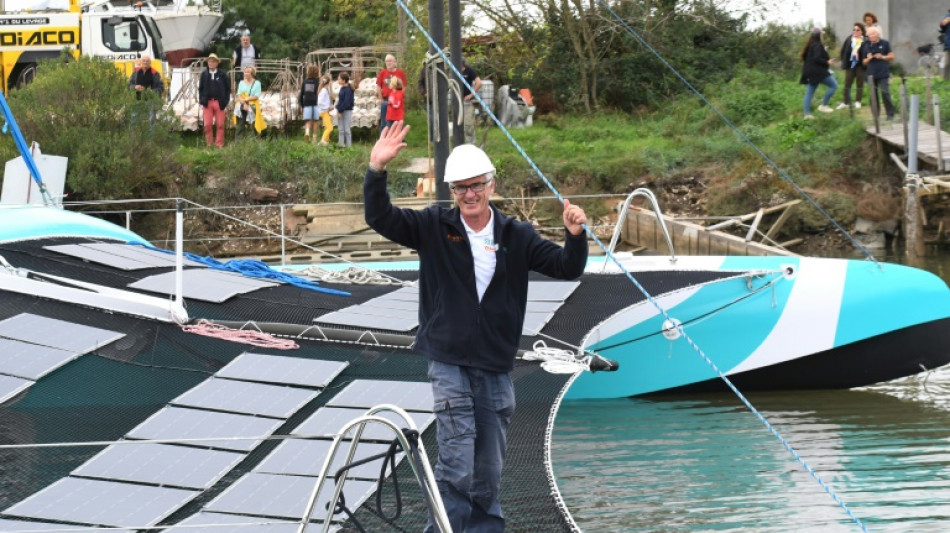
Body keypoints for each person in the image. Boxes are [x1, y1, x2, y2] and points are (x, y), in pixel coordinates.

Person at [363, 121, 589, 533]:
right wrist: (377, 170)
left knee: (488, 470)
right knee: (457, 463)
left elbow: (567, 267)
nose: (469, 194)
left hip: (496, 366)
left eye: (476, 185)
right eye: (461, 187)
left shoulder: (516, 235)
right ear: (452, 191)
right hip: (449, 361)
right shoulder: (433, 226)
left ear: (491, 185)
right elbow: (380, 216)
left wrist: (575, 235)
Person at [800, 27, 838, 119]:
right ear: (819, 36)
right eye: (822, 35)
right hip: (818, 72)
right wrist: (827, 62)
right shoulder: (817, 45)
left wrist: (826, 61)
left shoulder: (810, 45)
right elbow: (817, 58)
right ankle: (823, 106)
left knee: (809, 92)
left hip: (810, 72)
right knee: (834, 86)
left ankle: (807, 114)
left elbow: (810, 59)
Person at [863, 26, 896, 121]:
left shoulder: (885, 43)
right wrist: (868, 59)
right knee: (873, 95)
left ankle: (890, 114)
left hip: (883, 72)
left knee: (885, 92)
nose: (872, 36)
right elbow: (863, 62)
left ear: (878, 34)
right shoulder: (866, 45)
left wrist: (883, 57)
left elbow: (892, 56)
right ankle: (875, 116)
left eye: (874, 34)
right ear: (868, 36)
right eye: (870, 34)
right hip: (871, 74)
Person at [198, 53, 230, 148]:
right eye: (209, 61)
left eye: (213, 61)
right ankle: (209, 143)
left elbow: (227, 89)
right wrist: (201, 99)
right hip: (207, 102)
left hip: (219, 102)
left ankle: (219, 144)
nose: (210, 63)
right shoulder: (204, 74)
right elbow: (200, 88)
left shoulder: (222, 74)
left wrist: (225, 101)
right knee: (207, 124)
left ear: (217, 63)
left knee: (220, 124)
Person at [836, 22, 867, 110]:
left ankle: (858, 101)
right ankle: (846, 102)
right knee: (847, 83)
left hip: (860, 65)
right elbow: (843, 51)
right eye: (854, 30)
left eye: (858, 30)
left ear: (862, 31)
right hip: (850, 65)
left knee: (859, 83)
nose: (855, 31)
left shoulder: (865, 41)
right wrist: (844, 62)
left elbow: (866, 52)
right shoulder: (849, 39)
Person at [376, 54, 407, 137]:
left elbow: (404, 86)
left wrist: (399, 97)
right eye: (386, 61)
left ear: (394, 62)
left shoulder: (400, 73)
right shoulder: (383, 73)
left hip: (397, 102)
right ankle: (383, 140)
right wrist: (381, 99)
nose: (388, 63)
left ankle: (397, 139)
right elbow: (378, 86)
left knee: (397, 121)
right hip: (385, 100)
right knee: (384, 122)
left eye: (390, 61)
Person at [234, 65, 263, 138]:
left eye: (248, 72)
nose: (246, 73)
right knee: (240, 124)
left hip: (253, 104)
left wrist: (246, 99)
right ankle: (238, 141)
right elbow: (239, 95)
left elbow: (256, 96)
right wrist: (244, 104)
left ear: (252, 73)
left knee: (254, 123)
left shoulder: (257, 83)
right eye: (245, 72)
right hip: (242, 104)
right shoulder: (241, 83)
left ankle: (256, 140)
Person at [460, 59, 482, 143]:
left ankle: (471, 144)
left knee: (468, 124)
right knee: (459, 124)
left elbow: (479, 83)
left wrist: (471, 95)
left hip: (466, 102)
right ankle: (461, 143)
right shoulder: (453, 71)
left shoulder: (469, 71)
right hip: (457, 101)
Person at [299, 65, 320, 141]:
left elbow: (301, 94)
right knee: (315, 121)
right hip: (316, 103)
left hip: (306, 103)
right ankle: (314, 139)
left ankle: (307, 132)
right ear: (317, 73)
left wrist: (302, 105)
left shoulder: (305, 82)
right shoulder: (318, 82)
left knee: (307, 120)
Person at [335, 72, 354, 148]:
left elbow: (346, 102)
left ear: (344, 80)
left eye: (339, 79)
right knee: (341, 129)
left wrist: (340, 111)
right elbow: (340, 100)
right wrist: (338, 108)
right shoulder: (342, 88)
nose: (338, 80)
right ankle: (341, 145)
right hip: (341, 110)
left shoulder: (348, 90)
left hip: (346, 111)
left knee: (347, 129)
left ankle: (349, 146)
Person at [316, 73, 334, 146]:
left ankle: (327, 141)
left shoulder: (325, 90)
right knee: (330, 128)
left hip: (324, 111)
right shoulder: (324, 91)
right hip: (324, 111)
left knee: (327, 126)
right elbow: (320, 102)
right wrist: (328, 108)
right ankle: (322, 141)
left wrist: (329, 107)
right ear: (329, 82)